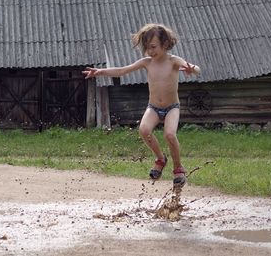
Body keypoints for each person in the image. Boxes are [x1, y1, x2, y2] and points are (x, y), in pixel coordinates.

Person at [82, 23, 201, 188]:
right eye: (147, 48)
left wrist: (192, 69)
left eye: (153, 47)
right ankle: (160, 158)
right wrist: (101, 72)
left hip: (172, 107)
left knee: (170, 135)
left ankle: (178, 169)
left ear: (165, 44)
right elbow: (123, 70)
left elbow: (196, 68)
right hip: (153, 107)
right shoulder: (147, 62)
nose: (150, 51)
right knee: (144, 130)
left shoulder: (174, 61)